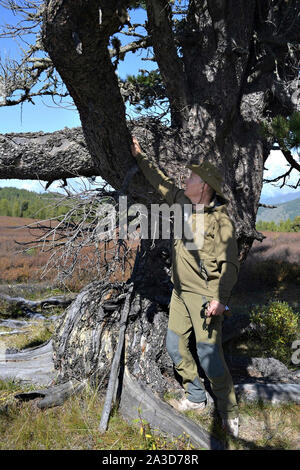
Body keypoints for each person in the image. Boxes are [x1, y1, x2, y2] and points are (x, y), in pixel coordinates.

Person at [131, 136, 240, 437]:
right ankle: (195, 396)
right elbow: (161, 181)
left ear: (204, 186)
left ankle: (229, 411)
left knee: (209, 356)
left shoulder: (221, 222)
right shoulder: (181, 202)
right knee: (174, 346)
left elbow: (230, 266)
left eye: (192, 177)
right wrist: (140, 157)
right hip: (179, 293)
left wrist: (220, 299)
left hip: (206, 298)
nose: (186, 179)